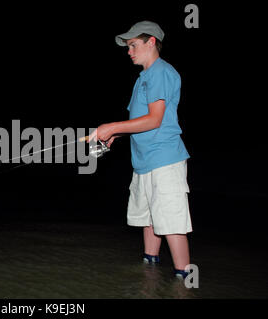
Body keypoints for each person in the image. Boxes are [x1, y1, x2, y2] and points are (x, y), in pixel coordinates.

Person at [89, 21, 192, 279]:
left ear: (151, 42)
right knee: (149, 220)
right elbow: (139, 120)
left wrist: (111, 126)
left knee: (171, 223)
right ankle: (149, 277)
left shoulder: (161, 72)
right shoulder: (142, 79)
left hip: (165, 160)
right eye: (128, 47)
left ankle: (183, 281)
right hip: (143, 162)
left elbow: (155, 120)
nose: (129, 51)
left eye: (133, 45)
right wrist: (117, 133)